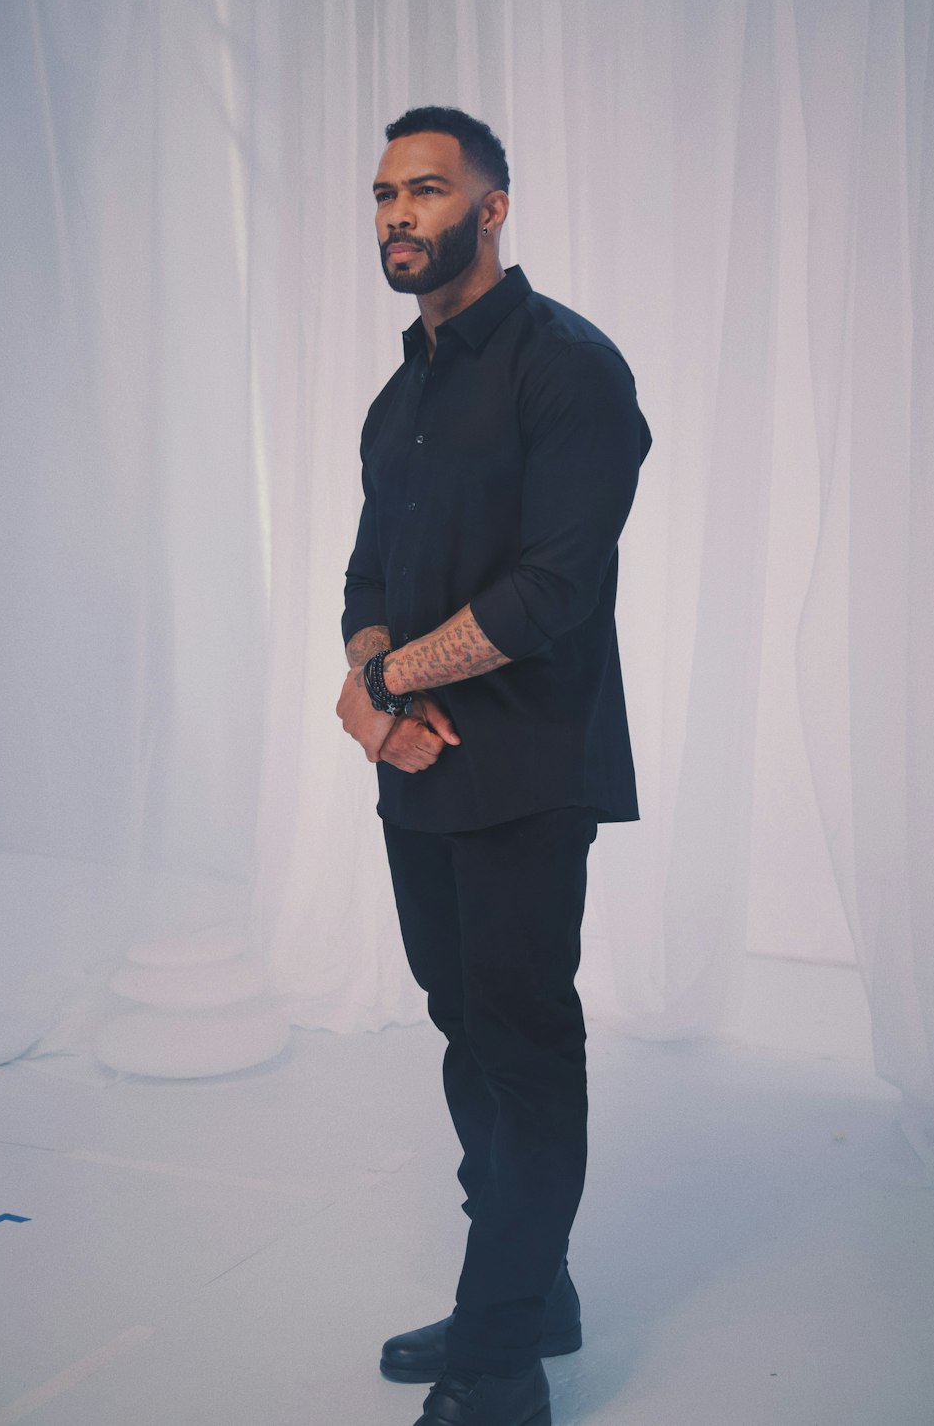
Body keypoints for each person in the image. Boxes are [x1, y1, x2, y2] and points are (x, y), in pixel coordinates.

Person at [337, 106, 651, 1426]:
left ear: (493, 206)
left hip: (527, 771)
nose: (400, 214)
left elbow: (553, 593)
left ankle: (502, 1359)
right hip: (415, 770)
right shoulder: (399, 393)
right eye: (383, 194)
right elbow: (368, 579)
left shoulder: (569, 367)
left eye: (428, 189)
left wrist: (387, 682)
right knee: (465, 1033)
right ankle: (530, 1291)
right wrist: (372, 698)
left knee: (521, 1048)